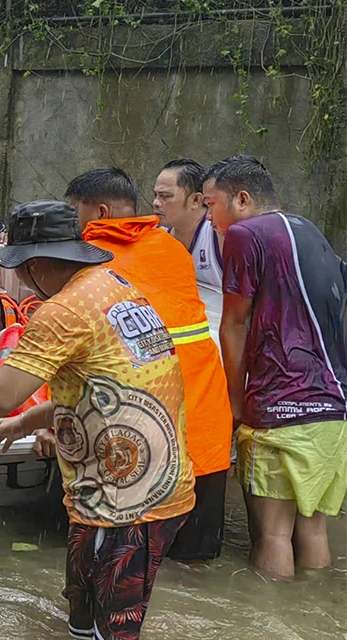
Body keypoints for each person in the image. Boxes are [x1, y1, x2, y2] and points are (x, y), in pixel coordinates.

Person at [0, 201, 194, 640]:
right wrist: (27, 422)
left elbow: (1, 392)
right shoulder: (117, 287)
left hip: (129, 506)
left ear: (40, 263)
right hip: (124, 488)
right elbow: (102, 387)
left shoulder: (62, 311)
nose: (21, 282)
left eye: (21, 271)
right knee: (83, 632)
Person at [64, 167, 233, 562]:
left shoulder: (92, 262)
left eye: (75, 214)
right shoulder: (173, 249)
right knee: (194, 565)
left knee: (125, 564)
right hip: (206, 429)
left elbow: (69, 352)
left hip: (146, 440)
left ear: (99, 213)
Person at [205, 155, 347, 578]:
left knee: (271, 534)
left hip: (279, 408)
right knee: (313, 528)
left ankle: (266, 626)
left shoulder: (246, 234)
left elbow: (233, 322)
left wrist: (234, 400)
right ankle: (304, 616)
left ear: (242, 198)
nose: (209, 218)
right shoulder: (309, 230)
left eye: (212, 205)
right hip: (332, 412)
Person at [152, 158, 223, 291]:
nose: (155, 202)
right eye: (155, 195)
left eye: (165, 196)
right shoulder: (155, 234)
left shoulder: (220, 235)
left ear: (196, 200)